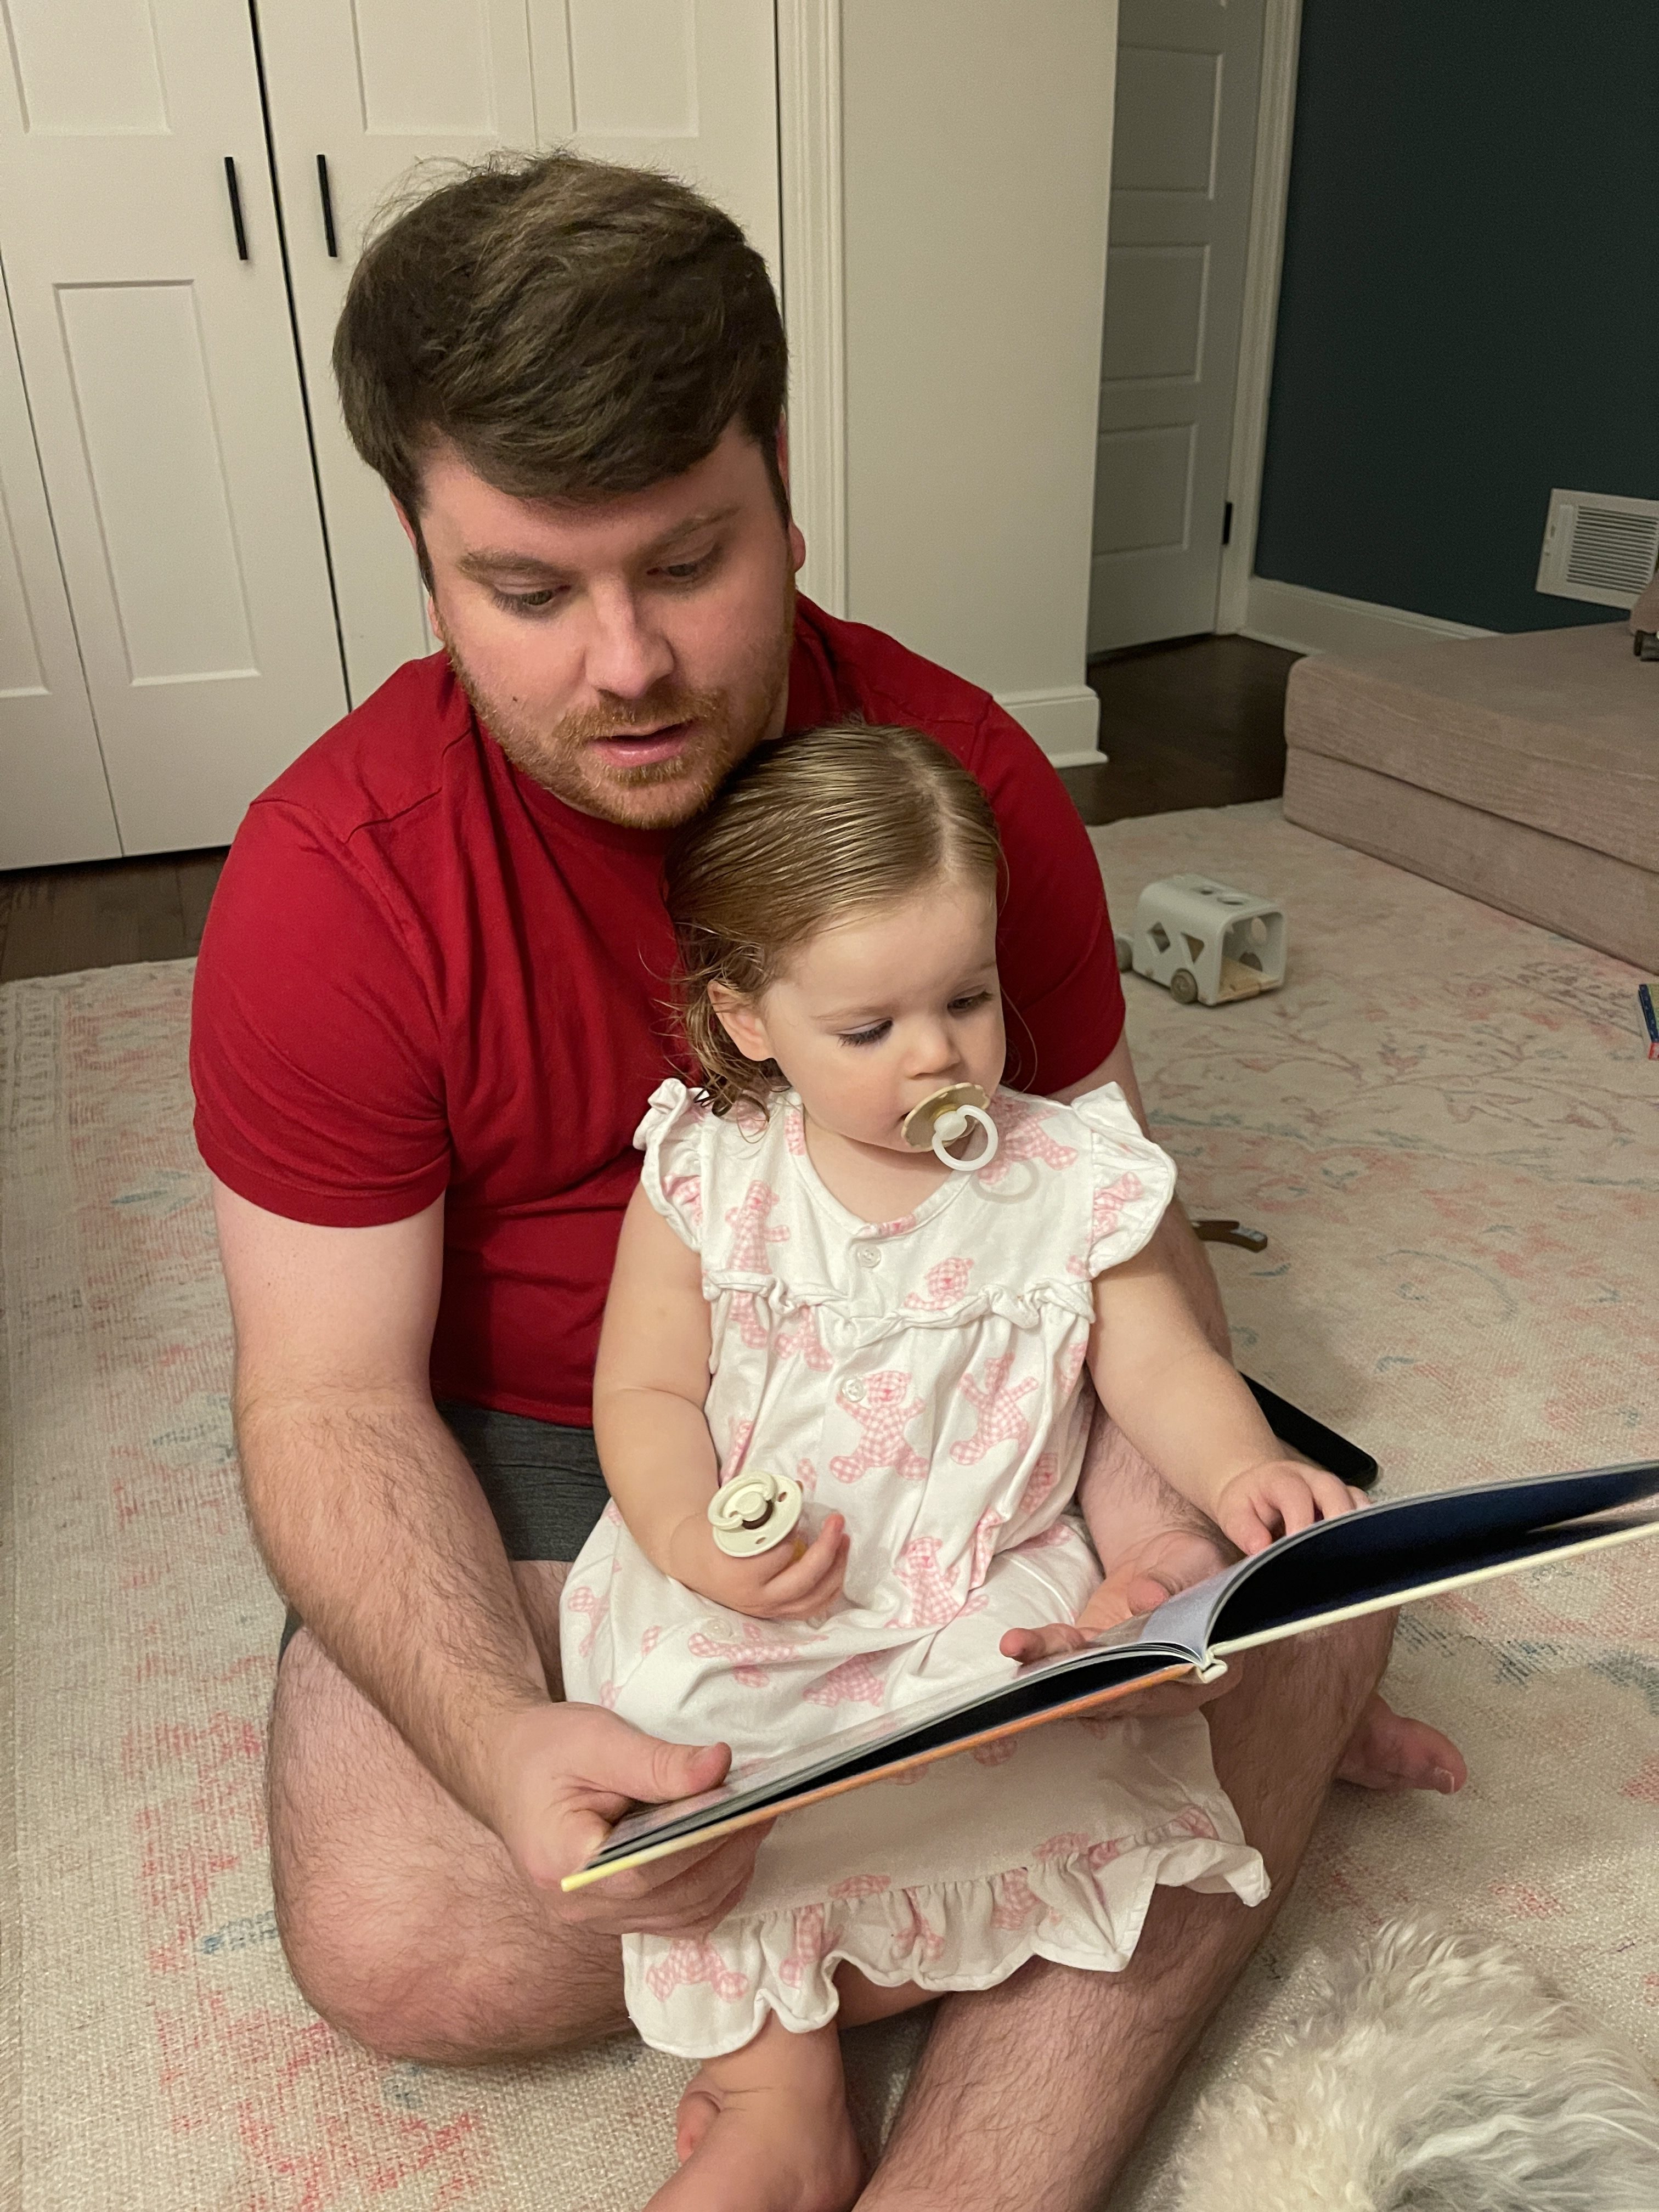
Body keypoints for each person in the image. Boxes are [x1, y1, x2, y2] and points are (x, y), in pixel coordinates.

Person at [191, 150, 1462, 2210]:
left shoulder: (966, 782)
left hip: (962, 1364)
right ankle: (993, 1885)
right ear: (422, 561)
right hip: (572, 1434)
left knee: (1252, 1626)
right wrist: (502, 1743)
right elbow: (328, 1396)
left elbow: (1101, 1212)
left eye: (688, 561)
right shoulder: (330, 881)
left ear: (784, 490)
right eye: (529, 592)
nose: (625, 664)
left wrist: (1161, 1552)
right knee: (414, 1938)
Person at [565, 721, 1380, 2209]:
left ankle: (933, 1942)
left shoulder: (1066, 1175)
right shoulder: (714, 1171)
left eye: (968, 999)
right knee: (677, 1741)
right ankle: (778, 2095)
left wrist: (1240, 1467)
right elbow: (647, 1385)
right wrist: (685, 1537)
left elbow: (1159, 1364)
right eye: (869, 1028)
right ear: (749, 1021)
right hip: (768, 1584)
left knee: (1059, 1721)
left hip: (981, 1570)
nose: (938, 1054)